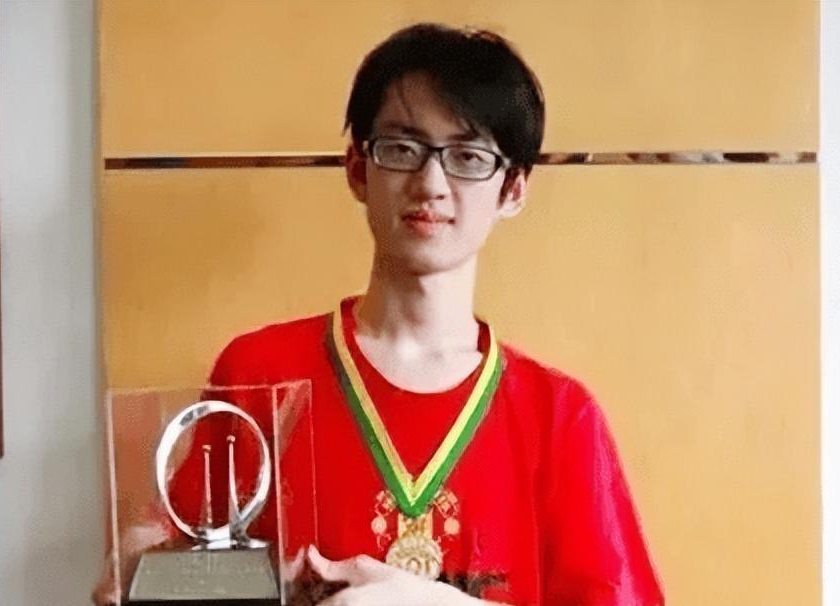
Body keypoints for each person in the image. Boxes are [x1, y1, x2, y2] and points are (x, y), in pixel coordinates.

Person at [94, 23, 663, 606]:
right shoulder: (258, 373)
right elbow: (188, 562)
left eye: (468, 156)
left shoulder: (560, 418)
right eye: (402, 149)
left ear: (513, 188)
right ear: (357, 169)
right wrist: (144, 568)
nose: (431, 183)